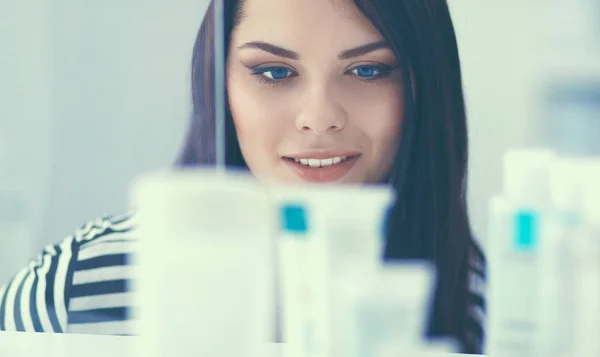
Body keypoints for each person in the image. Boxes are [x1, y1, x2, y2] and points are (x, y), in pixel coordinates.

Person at [0, 0, 487, 354]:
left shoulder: (482, 298)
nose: (319, 117)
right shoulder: (69, 289)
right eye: (274, 73)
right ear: (218, 82)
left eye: (366, 71)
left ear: (426, 86)